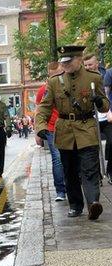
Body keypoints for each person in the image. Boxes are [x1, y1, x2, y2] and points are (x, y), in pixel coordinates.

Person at [35, 45, 110, 220]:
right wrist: (40, 126)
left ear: (79, 59)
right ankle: (76, 205)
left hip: (87, 129)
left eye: (69, 61)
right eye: (63, 62)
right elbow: (44, 107)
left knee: (90, 169)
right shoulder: (54, 82)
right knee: (69, 170)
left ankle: (93, 204)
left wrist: (99, 101)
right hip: (65, 131)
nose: (65, 65)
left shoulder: (94, 78)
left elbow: (105, 106)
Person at [35, 62, 66, 201]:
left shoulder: (67, 85)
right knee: (58, 159)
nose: (56, 78)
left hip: (68, 126)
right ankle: (60, 191)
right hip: (52, 128)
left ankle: (72, 186)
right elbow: (39, 111)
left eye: (59, 74)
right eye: (53, 75)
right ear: (49, 75)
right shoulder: (43, 90)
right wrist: (37, 132)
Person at [83, 52, 112, 181]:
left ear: (96, 63)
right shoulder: (81, 79)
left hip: (106, 116)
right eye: (85, 65)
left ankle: (110, 171)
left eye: (90, 64)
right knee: (92, 148)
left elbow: (107, 95)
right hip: (91, 119)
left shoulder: (105, 75)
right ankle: (97, 175)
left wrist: (109, 110)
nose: (88, 67)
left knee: (111, 142)